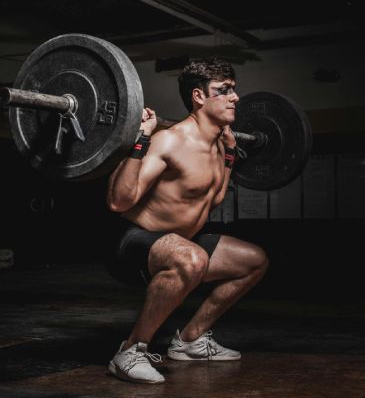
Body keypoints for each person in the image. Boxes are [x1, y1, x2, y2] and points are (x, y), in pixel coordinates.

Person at [106, 57, 269, 384]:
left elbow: (216, 197)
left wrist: (230, 155)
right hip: (134, 241)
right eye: (223, 91)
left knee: (254, 261)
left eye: (233, 90)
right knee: (191, 259)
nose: (234, 97)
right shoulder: (171, 141)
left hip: (182, 242)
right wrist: (142, 138)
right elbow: (118, 200)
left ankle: (191, 339)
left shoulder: (216, 145)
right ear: (198, 97)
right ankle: (129, 351)